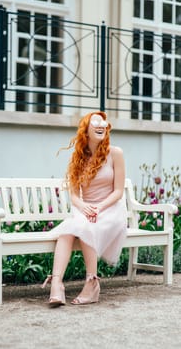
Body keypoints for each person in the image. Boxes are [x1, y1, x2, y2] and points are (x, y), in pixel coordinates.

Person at [42, 111, 127, 307]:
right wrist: (84, 207)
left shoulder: (116, 153)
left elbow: (118, 192)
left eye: (104, 123)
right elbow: (74, 196)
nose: (101, 125)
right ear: (86, 130)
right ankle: (56, 284)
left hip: (110, 210)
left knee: (84, 225)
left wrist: (98, 207)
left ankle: (92, 284)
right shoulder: (78, 157)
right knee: (67, 233)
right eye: (96, 122)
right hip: (85, 210)